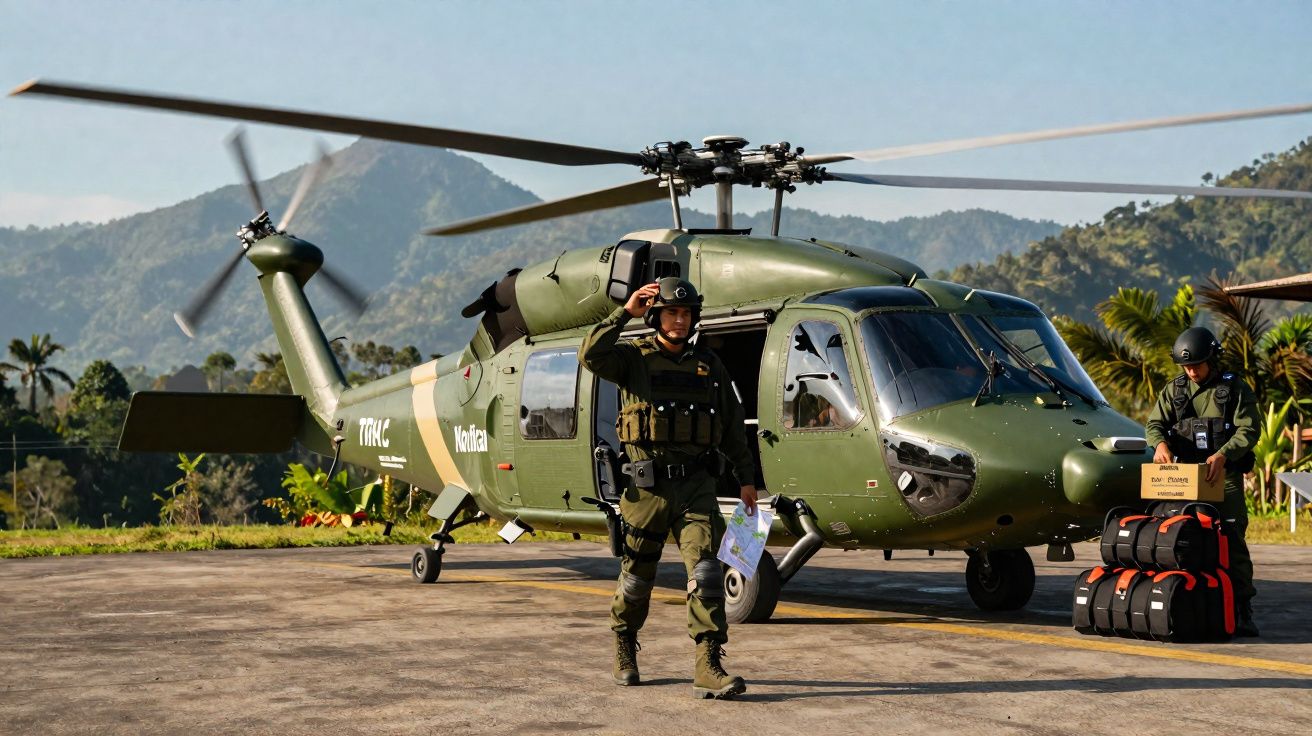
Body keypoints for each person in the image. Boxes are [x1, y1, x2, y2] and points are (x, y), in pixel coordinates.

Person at [580, 277, 759, 699]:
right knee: (637, 579)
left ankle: (709, 666)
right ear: (657, 315)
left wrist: (747, 478)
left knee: (707, 573)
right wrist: (625, 312)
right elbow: (591, 354)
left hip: (697, 486)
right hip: (647, 491)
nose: (679, 320)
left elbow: (732, 424)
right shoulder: (631, 359)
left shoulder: (709, 366)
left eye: (685, 313)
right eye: (670, 312)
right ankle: (624, 644)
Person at [1144, 326, 1261, 637]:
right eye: (1186, 366)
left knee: (1232, 539)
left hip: (1223, 476)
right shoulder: (1174, 389)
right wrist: (1159, 444)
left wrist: (1224, 454)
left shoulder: (1234, 388)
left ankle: (1242, 608)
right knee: (1178, 539)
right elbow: (1154, 423)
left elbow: (1249, 430)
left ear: (1212, 359)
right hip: (1184, 477)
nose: (1191, 371)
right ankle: (1184, 603)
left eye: (1197, 364)